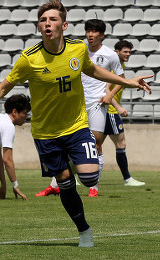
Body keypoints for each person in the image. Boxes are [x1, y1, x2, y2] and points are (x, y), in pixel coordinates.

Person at [0, 0, 152, 247]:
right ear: (39, 27)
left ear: (64, 25)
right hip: (46, 134)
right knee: (65, 183)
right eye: (43, 20)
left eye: (52, 19)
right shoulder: (29, 58)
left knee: (90, 179)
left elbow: (92, 71)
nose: (47, 23)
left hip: (76, 127)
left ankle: (72, 161)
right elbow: (5, 86)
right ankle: (84, 230)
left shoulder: (77, 50)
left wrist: (128, 81)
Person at [35, 19, 125, 198]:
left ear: (102, 35)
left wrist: (110, 95)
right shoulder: (77, 49)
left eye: (94, 32)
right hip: (75, 103)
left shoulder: (110, 55)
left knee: (96, 143)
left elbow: (121, 78)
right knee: (64, 144)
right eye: (88, 31)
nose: (90, 34)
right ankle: (56, 184)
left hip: (97, 104)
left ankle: (94, 187)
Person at [104, 40, 145, 186]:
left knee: (95, 146)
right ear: (117, 52)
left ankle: (70, 176)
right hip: (110, 111)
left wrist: (136, 82)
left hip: (106, 111)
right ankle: (127, 179)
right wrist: (118, 107)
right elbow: (106, 89)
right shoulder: (114, 67)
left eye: (129, 52)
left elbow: (122, 83)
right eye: (125, 52)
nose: (128, 54)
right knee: (121, 144)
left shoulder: (119, 66)